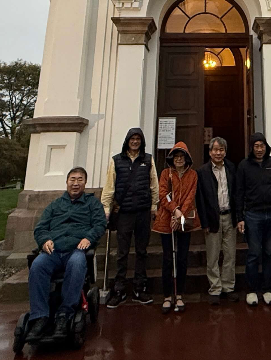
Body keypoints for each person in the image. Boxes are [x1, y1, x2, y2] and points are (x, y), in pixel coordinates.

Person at [26, 167, 106, 342]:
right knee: (37, 266)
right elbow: (40, 228)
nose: (75, 183)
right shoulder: (55, 205)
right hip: (54, 251)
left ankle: (65, 313)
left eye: (80, 180)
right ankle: (39, 316)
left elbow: (100, 224)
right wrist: (44, 240)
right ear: (67, 182)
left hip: (76, 249)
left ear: (85, 183)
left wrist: (89, 238)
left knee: (77, 263)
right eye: (72, 179)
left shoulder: (93, 204)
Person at [101, 128, 159, 307]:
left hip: (142, 211)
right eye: (132, 139)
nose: (135, 142)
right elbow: (110, 186)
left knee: (142, 251)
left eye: (138, 139)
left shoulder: (148, 160)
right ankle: (119, 288)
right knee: (122, 252)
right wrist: (106, 208)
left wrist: (154, 206)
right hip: (124, 212)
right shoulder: (116, 160)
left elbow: (154, 184)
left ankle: (139, 287)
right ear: (127, 141)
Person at [235, 132, 271, 307]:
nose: (259, 149)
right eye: (256, 146)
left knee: (270, 252)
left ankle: (267, 289)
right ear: (252, 148)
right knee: (254, 253)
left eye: (262, 146)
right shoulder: (244, 166)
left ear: (266, 147)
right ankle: (252, 290)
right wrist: (240, 217)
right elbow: (239, 192)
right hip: (253, 215)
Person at [153, 142, 200, 313]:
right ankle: (167, 295)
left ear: (187, 159)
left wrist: (181, 213)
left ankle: (179, 293)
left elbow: (190, 196)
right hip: (166, 219)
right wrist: (174, 210)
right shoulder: (166, 174)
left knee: (182, 258)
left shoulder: (193, 175)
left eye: (182, 157)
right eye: (176, 157)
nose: (179, 159)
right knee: (168, 258)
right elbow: (163, 194)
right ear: (172, 159)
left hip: (184, 218)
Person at [196, 136, 239, 304]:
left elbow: (236, 193)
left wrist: (238, 217)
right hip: (212, 218)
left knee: (230, 254)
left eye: (221, 150)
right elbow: (200, 199)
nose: (218, 153)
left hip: (229, 216)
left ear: (225, 152)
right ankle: (215, 288)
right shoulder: (202, 172)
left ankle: (228, 287)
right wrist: (204, 222)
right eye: (215, 150)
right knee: (213, 255)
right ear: (210, 152)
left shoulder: (231, 168)